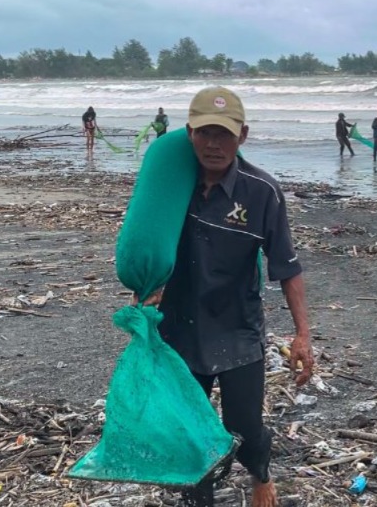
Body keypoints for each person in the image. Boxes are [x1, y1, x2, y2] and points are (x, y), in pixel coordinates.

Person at [135, 87, 315, 507]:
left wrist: (303, 334)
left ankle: (261, 476)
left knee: (244, 426)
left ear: (243, 136)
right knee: (191, 429)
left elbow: (287, 268)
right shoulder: (171, 188)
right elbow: (147, 244)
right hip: (181, 330)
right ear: (189, 133)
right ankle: (200, 498)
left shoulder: (261, 192)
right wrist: (143, 298)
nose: (214, 145)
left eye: (225, 135)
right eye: (205, 133)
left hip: (238, 329)